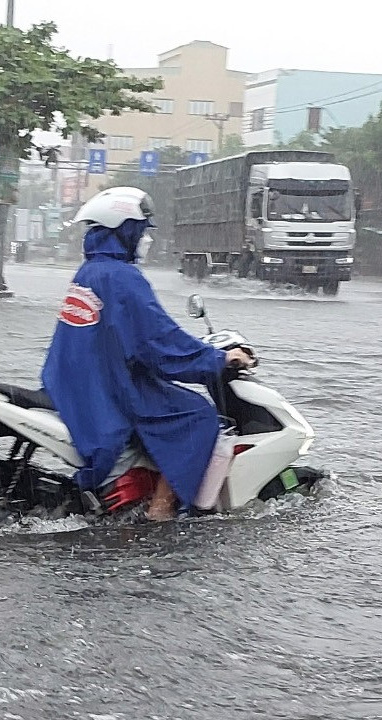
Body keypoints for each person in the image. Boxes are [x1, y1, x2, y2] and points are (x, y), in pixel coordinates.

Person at [40, 186, 253, 521]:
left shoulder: (90, 271)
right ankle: (160, 511)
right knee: (198, 414)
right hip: (111, 387)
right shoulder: (123, 278)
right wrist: (217, 359)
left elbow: (138, 336)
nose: (145, 239)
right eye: (140, 231)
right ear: (124, 230)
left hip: (76, 380)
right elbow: (159, 342)